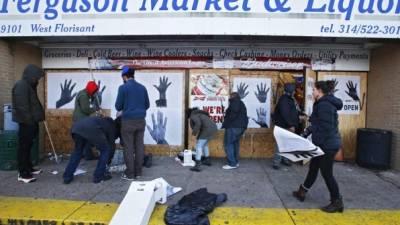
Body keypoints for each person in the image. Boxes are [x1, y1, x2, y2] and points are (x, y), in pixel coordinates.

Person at [293, 80, 344, 213]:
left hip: (327, 144)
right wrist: (305, 133)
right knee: (313, 168)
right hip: (323, 143)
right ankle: (302, 192)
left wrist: (315, 142)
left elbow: (325, 127)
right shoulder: (322, 103)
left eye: (314, 90)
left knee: (327, 173)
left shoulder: (324, 105)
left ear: (320, 91)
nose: (312, 92)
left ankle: (337, 201)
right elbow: (318, 123)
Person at [12, 64, 45, 183]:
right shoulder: (21, 86)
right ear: (31, 76)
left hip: (31, 122)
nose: (38, 80)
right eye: (37, 78)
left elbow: (33, 104)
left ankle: (29, 168)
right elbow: (22, 107)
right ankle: (23, 173)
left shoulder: (29, 86)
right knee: (24, 147)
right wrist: (30, 121)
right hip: (26, 123)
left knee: (29, 147)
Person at [115, 66, 150, 180]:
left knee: (128, 147)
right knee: (139, 146)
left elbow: (118, 106)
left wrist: (127, 108)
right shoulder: (142, 88)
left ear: (124, 77)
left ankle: (130, 173)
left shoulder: (123, 88)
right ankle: (138, 172)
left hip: (128, 122)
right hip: (141, 121)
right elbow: (147, 105)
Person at [63, 116, 117, 184]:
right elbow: (111, 145)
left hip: (75, 128)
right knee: (105, 150)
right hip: (90, 129)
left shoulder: (98, 120)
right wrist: (109, 159)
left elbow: (91, 140)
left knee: (77, 152)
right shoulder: (110, 125)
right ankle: (98, 176)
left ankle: (67, 177)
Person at [272, 83, 299, 169]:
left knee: (286, 144)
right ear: (291, 91)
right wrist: (290, 124)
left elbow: (290, 112)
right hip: (284, 126)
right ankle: (276, 162)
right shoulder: (284, 100)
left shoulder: (288, 99)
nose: (295, 92)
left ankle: (285, 159)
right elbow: (285, 114)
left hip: (285, 126)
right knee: (280, 145)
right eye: (294, 90)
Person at [72, 81, 100, 160]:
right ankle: (88, 155)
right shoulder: (84, 96)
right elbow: (85, 109)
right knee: (86, 138)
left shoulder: (83, 93)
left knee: (80, 139)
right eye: (94, 91)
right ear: (91, 90)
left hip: (79, 120)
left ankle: (81, 154)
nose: (94, 93)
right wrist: (95, 109)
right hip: (81, 120)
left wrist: (93, 97)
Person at [221, 92, 248, 170]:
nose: (230, 97)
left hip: (233, 126)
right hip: (240, 127)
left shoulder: (234, 102)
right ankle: (235, 162)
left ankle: (232, 163)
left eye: (230, 96)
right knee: (235, 143)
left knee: (228, 144)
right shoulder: (240, 102)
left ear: (233, 96)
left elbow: (233, 114)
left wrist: (227, 121)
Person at [188, 107, 218, 172]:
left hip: (207, 129)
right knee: (205, 144)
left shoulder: (193, 115)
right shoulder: (202, 115)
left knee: (199, 145)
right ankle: (207, 160)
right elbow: (201, 127)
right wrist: (197, 136)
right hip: (214, 128)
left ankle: (197, 165)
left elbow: (198, 124)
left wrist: (193, 134)